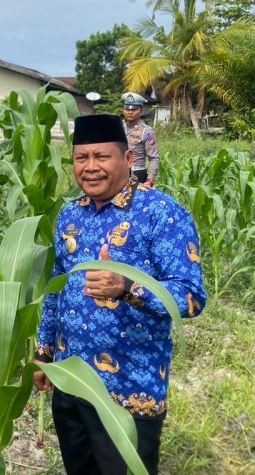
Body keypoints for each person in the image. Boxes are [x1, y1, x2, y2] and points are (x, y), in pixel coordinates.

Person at [33, 114, 206, 475]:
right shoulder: (69, 215)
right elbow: (56, 288)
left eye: (102, 157)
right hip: (72, 382)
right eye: (82, 158)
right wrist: (44, 352)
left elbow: (191, 297)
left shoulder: (162, 214)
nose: (90, 168)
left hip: (129, 392)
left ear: (128, 159)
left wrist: (127, 288)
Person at [121, 92, 160, 186]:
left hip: (137, 173)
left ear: (141, 110)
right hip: (119, 173)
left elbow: (154, 157)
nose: (130, 112)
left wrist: (150, 179)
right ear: (123, 110)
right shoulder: (119, 127)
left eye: (134, 109)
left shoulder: (146, 131)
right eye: (127, 109)